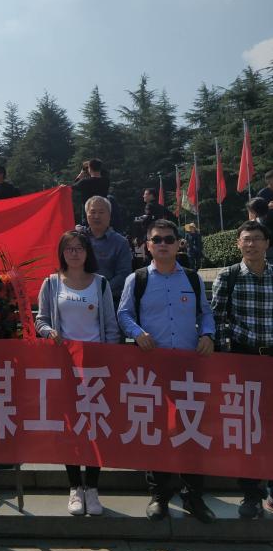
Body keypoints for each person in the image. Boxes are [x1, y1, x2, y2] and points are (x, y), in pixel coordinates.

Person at [117, 219, 215, 523]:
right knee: (157, 430)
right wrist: (138, 333)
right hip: (153, 366)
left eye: (169, 239)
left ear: (178, 244)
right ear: (148, 245)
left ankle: (193, 495)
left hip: (189, 367)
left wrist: (208, 335)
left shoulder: (192, 278)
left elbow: (206, 313)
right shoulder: (138, 279)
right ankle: (159, 495)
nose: (163, 244)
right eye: (157, 239)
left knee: (192, 430)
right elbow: (124, 314)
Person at [36, 229, 120, 516]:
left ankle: (92, 488)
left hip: (95, 365)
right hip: (64, 364)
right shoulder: (51, 283)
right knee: (69, 426)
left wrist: (110, 359)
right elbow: (40, 320)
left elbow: (111, 326)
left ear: (87, 253)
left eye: (79, 248)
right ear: (62, 253)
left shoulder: (100, 283)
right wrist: (49, 332)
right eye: (69, 248)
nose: (74, 253)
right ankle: (75, 486)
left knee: (95, 426)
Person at [211, 220, 273, 519]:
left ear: (267, 244)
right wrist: (232, 349)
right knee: (248, 428)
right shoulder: (229, 275)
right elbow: (217, 318)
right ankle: (251, 493)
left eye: (257, 238)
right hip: (244, 358)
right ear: (238, 244)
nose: (251, 244)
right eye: (246, 239)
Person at [80, 196, 132, 309]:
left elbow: (124, 274)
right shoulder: (78, 239)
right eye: (92, 212)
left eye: (101, 212)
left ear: (109, 215)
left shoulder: (120, 242)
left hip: (109, 301)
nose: (96, 216)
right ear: (86, 215)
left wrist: (100, 290)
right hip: (79, 299)